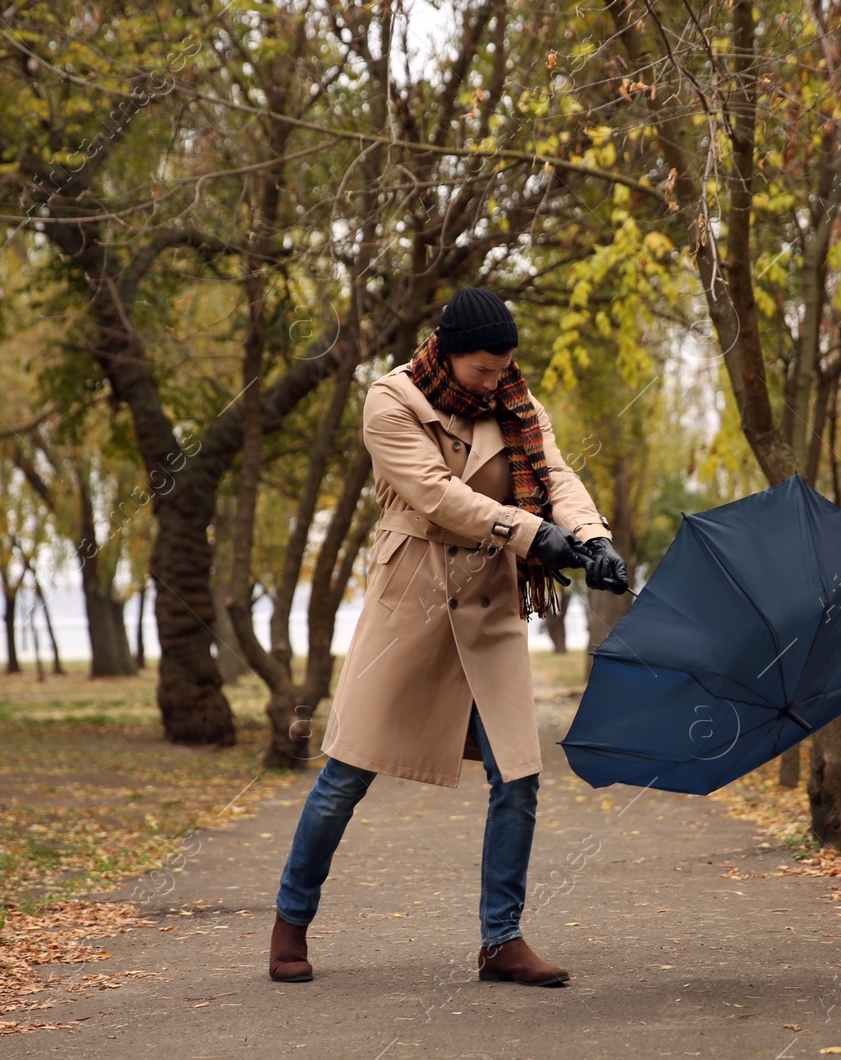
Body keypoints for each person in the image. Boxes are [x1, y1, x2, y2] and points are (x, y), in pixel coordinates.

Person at [269, 286, 628, 987]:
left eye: (504, 369)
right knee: (346, 772)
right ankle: (291, 918)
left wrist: (592, 537)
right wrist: (534, 534)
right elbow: (438, 494)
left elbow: (555, 474)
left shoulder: (517, 402)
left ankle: (501, 940)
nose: (497, 383)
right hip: (414, 600)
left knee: (518, 774)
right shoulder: (391, 401)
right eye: (484, 371)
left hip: (490, 604)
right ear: (446, 351)